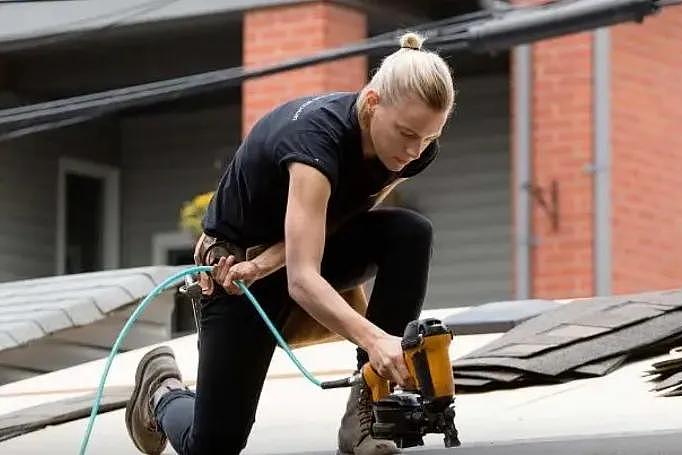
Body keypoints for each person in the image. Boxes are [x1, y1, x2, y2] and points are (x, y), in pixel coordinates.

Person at [125, 31, 455, 455]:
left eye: (428, 138)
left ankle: (368, 413)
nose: (415, 150)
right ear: (372, 102)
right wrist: (375, 341)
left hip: (283, 258)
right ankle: (160, 390)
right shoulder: (314, 146)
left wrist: (267, 262)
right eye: (408, 133)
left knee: (410, 233)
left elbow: (341, 215)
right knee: (214, 444)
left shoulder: (414, 150)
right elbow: (302, 280)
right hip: (236, 278)